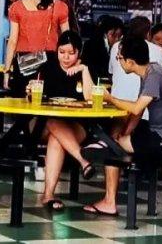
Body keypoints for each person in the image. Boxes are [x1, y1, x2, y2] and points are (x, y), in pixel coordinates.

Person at [83, 37, 162, 216]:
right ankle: (106, 143)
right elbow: (138, 112)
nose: (118, 61)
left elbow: (137, 107)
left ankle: (109, 202)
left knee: (113, 150)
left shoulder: (153, 76)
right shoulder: (150, 71)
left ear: (130, 62)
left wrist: (110, 99)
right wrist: (124, 133)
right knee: (116, 131)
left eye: (119, 58)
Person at [38, 31, 97, 211]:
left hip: (75, 124)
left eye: (71, 53)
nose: (66, 57)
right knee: (54, 122)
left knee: (56, 138)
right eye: (62, 52)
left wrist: (84, 70)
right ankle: (83, 160)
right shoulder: (48, 68)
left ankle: (48, 195)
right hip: (45, 123)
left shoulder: (85, 69)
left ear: (79, 52)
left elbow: (90, 98)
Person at [4, 0, 70, 95]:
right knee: (48, 104)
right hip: (51, 62)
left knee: (20, 106)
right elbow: (67, 39)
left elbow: (12, 41)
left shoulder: (16, 7)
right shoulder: (60, 7)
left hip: (24, 62)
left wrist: (6, 71)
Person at [108, 16, 162, 104]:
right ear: (148, 33)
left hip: (117, 102)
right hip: (143, 107)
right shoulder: (156, 50)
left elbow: (111, 73)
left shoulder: (116, 46)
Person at [83, 15, 124, 82]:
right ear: (105, 34)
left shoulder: (120, 47)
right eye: (113, 35)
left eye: (119, 36)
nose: (117, 39)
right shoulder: (91, 45)